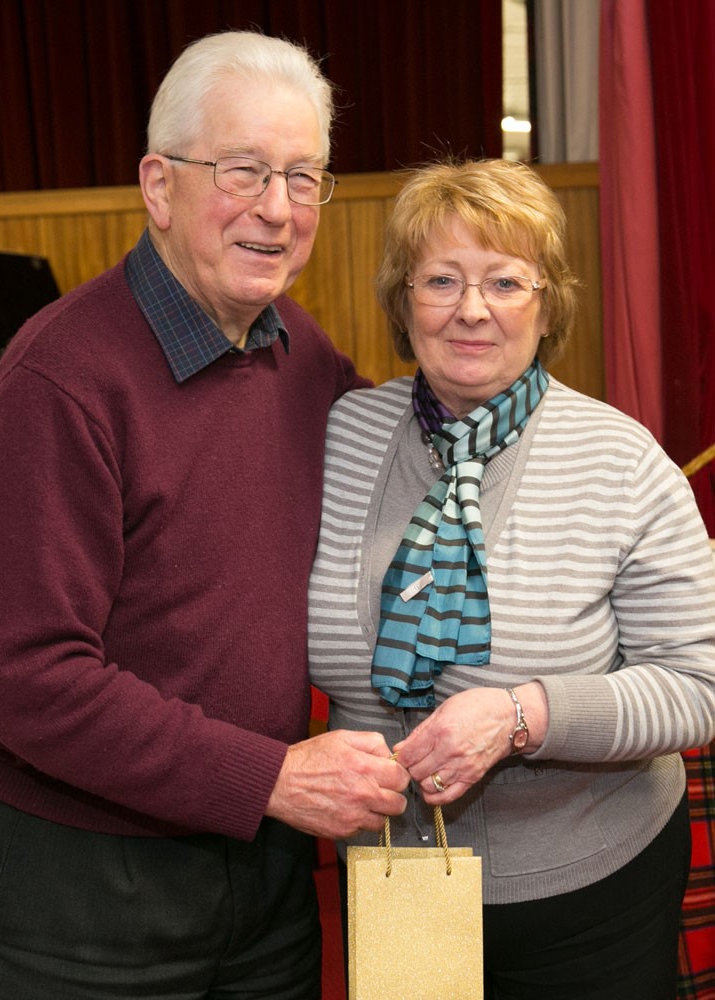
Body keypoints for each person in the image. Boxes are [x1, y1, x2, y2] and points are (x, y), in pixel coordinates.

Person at [0, 30, 409, 1000]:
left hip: (266, 881)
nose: (278, 209)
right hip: (88, 889)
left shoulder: (298, 347)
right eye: (244, 171)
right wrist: (271, 779)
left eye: (304, 177)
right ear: (158, 187)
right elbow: (21, 677)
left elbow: (406, 455)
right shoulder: (57, 384)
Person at [308, 158, 715, 1000]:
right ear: (401, 299)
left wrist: (524, 713)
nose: (471, 309)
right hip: (397, 876)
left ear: (548, 301)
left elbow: (700, 685)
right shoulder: (343, 435)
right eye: (441, 279)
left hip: (588, 893)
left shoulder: (623, 460)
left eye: (504, 281)